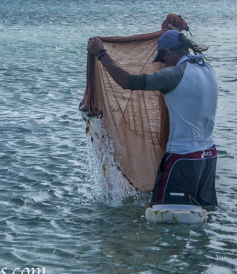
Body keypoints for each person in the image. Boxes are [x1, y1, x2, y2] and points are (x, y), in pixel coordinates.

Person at [87, 30, 218, 207]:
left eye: (163, 59)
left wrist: (101, 54)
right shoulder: (207, 69)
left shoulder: (174, 75)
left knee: (162, 211)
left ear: (169, 52)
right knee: (201, 213)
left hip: (183, 158)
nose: (163, 65)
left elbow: (127, 82)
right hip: (208, 156)